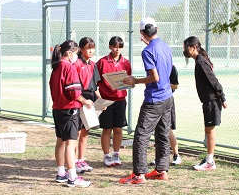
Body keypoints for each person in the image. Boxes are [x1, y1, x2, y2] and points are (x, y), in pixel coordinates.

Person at [119, 17, 173, 184]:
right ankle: (161, 169)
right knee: (163, 134)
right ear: (157, 29)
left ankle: (138, 174)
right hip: (168, 97)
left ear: (142, 33)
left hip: (154, 99)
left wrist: (136, 81)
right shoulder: (165, 46)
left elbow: (154, 77)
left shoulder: (147, 51)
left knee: (141, 135)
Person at [49, 40, 92, 187]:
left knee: (60, 141)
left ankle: (61, 173)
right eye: (76, 53)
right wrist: (86, 101)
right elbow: (73, 92)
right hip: (69, 109)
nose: (77, 57)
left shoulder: (56, 67)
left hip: (58, 109)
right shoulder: (69, 67)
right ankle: (72, 177)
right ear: (69, 53)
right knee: (70, 143)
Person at [182, 36, 227, 171]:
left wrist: (222, 97)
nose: (184, 50)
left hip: (212, 101)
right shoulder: (199, 60)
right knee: (208, 131)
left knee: (209, 131)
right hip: (208, 101)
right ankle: (209, 159)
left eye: (186, 48)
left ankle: (210, 162)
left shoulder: (201, 61)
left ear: (194, 47)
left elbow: (213, 80)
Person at [141, 36, 182, 166]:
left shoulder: (170, 67)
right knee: (159, 133)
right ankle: (161, 163)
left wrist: (136, 81)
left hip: (162, 100)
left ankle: (176, 155)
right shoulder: (156, 53)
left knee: (165, 131)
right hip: (161, 98)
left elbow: (173, 84)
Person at [96, 36, 132, 167]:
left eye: (120, 47)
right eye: (115, 46)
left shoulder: (126, 63)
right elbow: (95, 82)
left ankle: (116, 154)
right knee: (106, 129)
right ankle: (106, 155)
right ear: (110, 47)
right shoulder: (102, 62)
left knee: (118, 128)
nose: (118, 49)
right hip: (106, 100)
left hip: (120, 100)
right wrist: (100, 99)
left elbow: (128, 80)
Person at [73, 37, 101, 173]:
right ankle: (72, 161)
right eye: (88, 48)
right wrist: (82, 100)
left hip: (90, 99)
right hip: (79, 98)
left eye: (92, 48)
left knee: (85, 132)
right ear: (81, 49)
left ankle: (81, 160)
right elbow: (74, 88)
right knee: (76, 132)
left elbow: (95, 88)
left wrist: (101, 101)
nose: (91, 51)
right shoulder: (76, 64)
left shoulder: (93, 65)